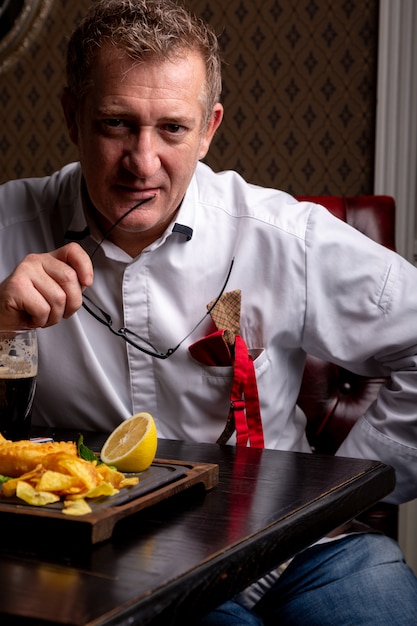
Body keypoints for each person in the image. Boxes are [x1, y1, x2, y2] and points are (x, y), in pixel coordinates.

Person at [1, 0, 417, 623]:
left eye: (171, 128)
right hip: (119, 568)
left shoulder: (283, 235)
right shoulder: (7, 227)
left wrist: (335, 489)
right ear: (72, 117)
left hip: (308, 549)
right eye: (116, 124)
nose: (143, 162)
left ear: (209, 128)